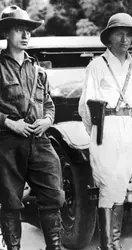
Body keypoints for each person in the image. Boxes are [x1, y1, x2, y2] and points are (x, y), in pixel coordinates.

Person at [0, 5, 65, 250]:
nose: (25, 35)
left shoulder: (38, 71)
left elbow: (49, 105)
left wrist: (47, 121)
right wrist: (9, 122)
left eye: (28, 30)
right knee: (10, 201)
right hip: (8, 142)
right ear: (7, 33)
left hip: (39, 141)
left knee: (54, 196)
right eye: (19, 30)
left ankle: (54, 247)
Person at [78, 13, 132, 250]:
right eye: (119, 33)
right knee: (108, 185)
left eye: (129, 34)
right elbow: (86, 106)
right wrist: (96, 131)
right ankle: (108, 245)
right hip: (105, 129)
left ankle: (113, 242)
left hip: (129, 131)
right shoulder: (96, 66)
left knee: (121, 184)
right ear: (109, 38)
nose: (124, 39)